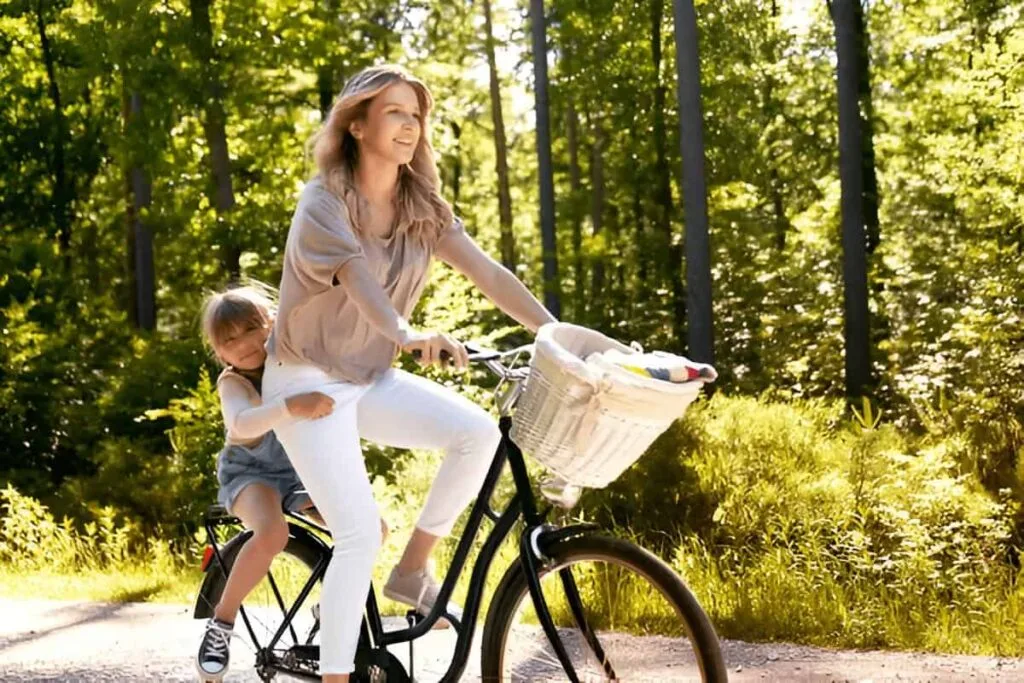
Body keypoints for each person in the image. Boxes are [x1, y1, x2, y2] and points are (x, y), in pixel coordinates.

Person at [262, 64, 558, 681]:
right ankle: (338, 676)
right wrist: (405, 334)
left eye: (416, 114)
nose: (409, 125)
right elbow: (358, 280)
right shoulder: (323, 202)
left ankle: (412, 571)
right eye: (394, 111)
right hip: (305, 382)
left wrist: (558, 337)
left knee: (476, 434)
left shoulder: (421, 207)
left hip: (366, 378)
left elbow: (489, 273)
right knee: (357, 535)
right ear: (358, 123)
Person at [194, 284, 340, 681]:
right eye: (229, 340)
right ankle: (221, 624)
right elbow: (240, 422)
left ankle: (333, 609)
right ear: (219, 352)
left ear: (272, 323)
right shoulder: (234, 383)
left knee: (364, 528)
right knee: (272, 532)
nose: (243, 344)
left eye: (250, 329)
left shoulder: (289, 362)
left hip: (298, 474)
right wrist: (292, 406)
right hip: (251, 475)